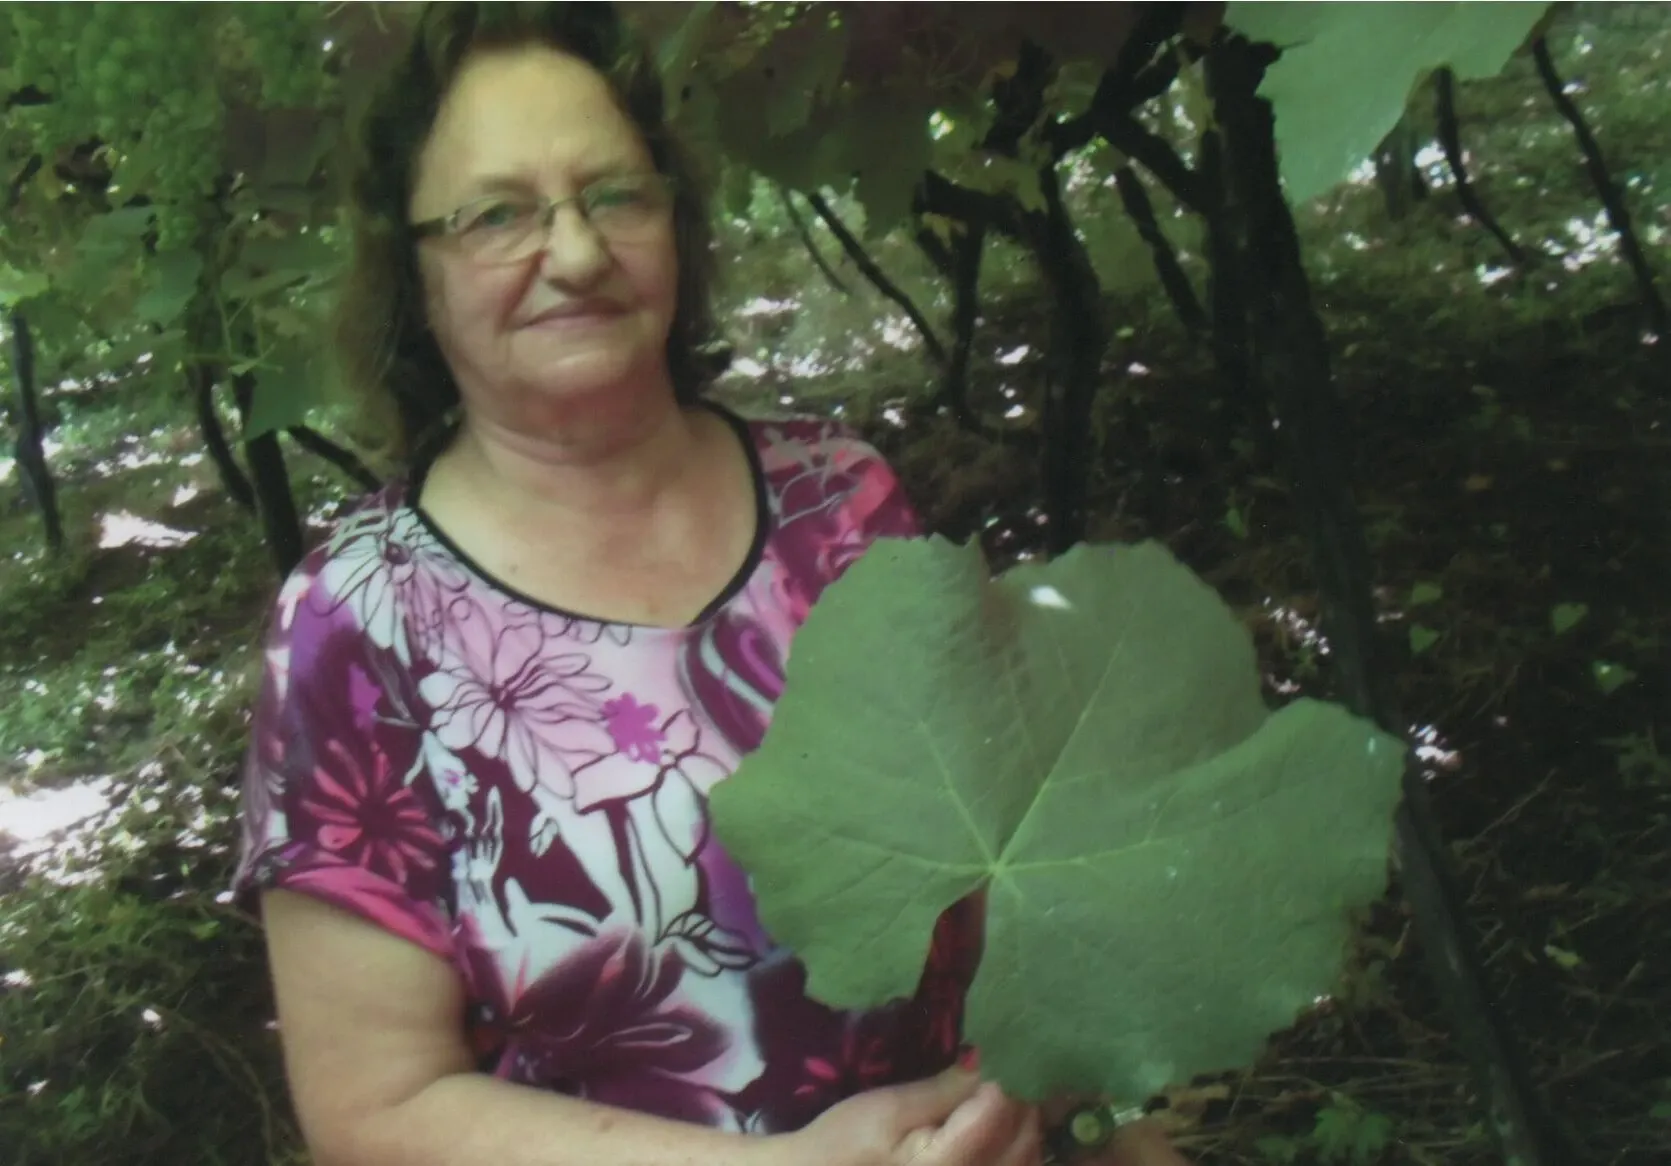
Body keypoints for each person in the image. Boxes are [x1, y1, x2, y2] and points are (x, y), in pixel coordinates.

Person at [232, 4, 1192, 1165]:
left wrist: (1083, 1098)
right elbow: (375, 1109)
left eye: (615, 195)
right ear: (413, 275)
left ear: (676, 223)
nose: (576, 254)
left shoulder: (840, 501)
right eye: (498, 214)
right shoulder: (358, 621)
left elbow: (1013, 851)